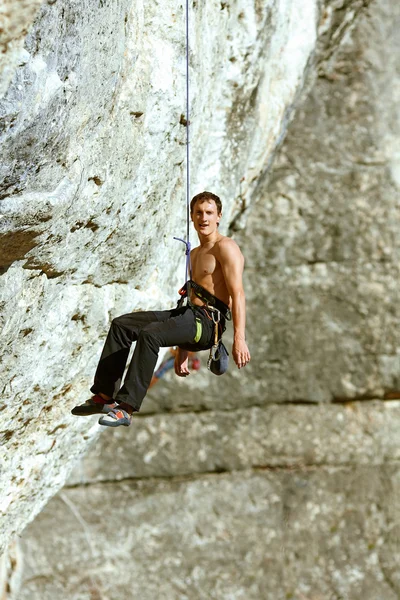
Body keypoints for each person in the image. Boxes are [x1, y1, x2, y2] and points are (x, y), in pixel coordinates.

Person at [71, 191, 251, 427]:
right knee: (122, 325)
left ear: (218, 217)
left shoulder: (226, 247)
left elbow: (237, 294)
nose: (203, 218)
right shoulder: (195, 253)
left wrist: (239, 338)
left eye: (209, 213)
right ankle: (104, 396)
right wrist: (182, 350)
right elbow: (192, 299)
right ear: (191, 216)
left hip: (208, 324)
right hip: (189, 317)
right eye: (198, 213)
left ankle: (126, 408)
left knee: (150, 335)